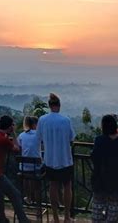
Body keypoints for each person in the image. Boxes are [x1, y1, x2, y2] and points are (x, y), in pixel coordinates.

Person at [0, 115, 30, 223]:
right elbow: (17, 149)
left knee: (0, 191)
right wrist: (13, 133)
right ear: (9, 127)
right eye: (12, 125)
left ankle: (2, 218)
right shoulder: (3, 139)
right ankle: (23, 220)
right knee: (16, 194)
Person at [37, 93, 76, 223]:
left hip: (49, 159)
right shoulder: (66, 120)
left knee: (53, 185)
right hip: (65, 159)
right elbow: (71, 138)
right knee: (67, 186)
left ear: (49, 106)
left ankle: (55, 217)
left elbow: (39, 139)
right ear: (59, 106)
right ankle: (66, 217)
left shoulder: (42, 120)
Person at [91, 115, 118, 223]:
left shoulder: (99, 140)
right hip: (117, 181)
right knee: (113, 210)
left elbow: (94, 158)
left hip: (100, 180)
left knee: (97, 210)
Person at [17, 116, 43, 204]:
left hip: (24, 169)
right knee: (37, 181)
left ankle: (28, 197)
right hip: (36, 169)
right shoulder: (39, 135)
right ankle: (38, 203)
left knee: (26, 176)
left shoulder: (21, 135)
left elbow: (19, 149)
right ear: (35, 125)